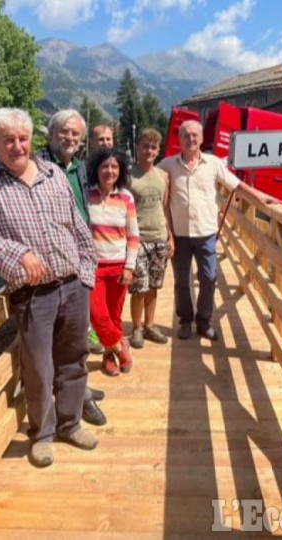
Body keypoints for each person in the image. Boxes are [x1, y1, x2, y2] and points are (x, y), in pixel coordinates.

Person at [0, 107, 98, 467]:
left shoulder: (53, 173)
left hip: (72, 284)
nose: (18, 146)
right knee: (39, 367)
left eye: (23, 138)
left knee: (74, 358)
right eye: (8, 140)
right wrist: (18, 254)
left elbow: (77, 225)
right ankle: (42, 434)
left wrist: (87, 274)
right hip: (33, 292)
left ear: (31, 140)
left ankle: (71, 423)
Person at [36, 109, 108, 427]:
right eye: (64, 132)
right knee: (57, 339)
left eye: (76, 134)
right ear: (51, 134)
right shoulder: (39, 166)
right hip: (50, 263)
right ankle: (76, 400)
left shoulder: (77, 167)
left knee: (76, 335)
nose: (69, 138)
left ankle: (80, 389)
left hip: (78, 259)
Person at [158, 120, 247, 342]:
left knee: (209, 278)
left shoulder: (213, 163)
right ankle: (186, 321)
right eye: (186, 136)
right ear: (180, 139)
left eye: (195, 136)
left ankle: (204, 321)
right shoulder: (167, 165)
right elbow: (148, 178)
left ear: (201, 139)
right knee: (181, 281)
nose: (191, 140)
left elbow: (236, 185)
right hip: (179, 234)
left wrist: (264, 199)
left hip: (206, 233)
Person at [87, 148, 140, 376]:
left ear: (120, 171)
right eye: (105, 166)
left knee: (114, 315)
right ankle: (120, 347)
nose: (110, 171)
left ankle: (108, 356)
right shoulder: (86, 194)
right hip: (93, 266)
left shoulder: (126, 197)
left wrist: (130, 266)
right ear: (96, 169)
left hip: (119, 265)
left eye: (115, 167)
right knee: (98, 315)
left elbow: (133, 235)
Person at [127, 128, 173, 348]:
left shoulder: (163, 176)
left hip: (159, 237)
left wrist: (170, 236)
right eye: (145, 146)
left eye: (153, 147)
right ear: (137, 147)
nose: (149, 151)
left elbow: (165, 208)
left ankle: (150, 325)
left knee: (154, 285)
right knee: (139, 286)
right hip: (138, 238)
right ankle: (136, 328)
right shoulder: (128, 176)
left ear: (158, 151)